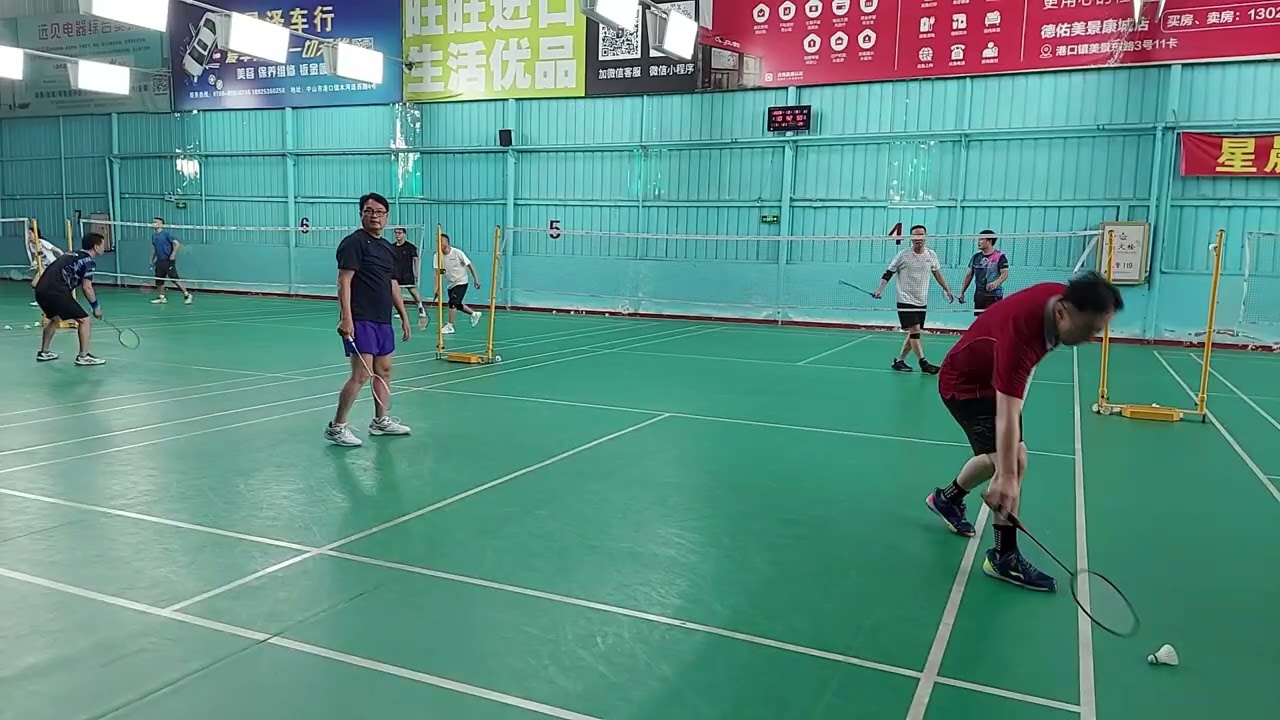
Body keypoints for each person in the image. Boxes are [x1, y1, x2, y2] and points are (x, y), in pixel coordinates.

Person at [925, 272, 1124, 592]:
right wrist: (1005, 478)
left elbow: (1012, 402)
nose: (1090, 339)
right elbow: (1006, 413)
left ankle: (947, 500)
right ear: (1062, 312)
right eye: (1088, 330)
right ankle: (1003, 557)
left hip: (988, 376)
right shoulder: (1023, 338)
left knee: (1001, 459)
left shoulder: (1063, 301)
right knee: (1013, 461)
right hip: (964, 386)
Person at [325, 192, 412, 447]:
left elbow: (393, 283)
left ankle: (380, 421)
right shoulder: (354, 243)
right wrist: (347, 319)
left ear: (386, 216)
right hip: (361, 318)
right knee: (362, 374)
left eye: (379, 212)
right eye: (369, 211)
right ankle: (337, 427)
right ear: (362, 213)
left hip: (383, 320)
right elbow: (344, 281)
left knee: (384, 371)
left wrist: (404, 316)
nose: (374, 216)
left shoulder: (387, 248)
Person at [872, 224, 954, 374]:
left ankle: (899, 360)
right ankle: (924, 363)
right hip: (905, 299)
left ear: (925, 237)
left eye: (921, 235)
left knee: (914, 333)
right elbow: (888, 273)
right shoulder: (903, 255)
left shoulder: (931, 255)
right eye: (916, 236)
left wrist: (947, 289)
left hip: (921, 300)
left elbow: (937, 274)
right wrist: (880, 289)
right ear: (911, 238)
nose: (919, 239)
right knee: (915, 330)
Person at [33, 232, 107, 366]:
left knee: (54, 318)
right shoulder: (89, 262)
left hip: (41, 290)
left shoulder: (70, 254)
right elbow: (87, 287)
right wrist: (96, 307)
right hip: (57, 292)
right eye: (102, 244)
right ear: (96, 247)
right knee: (85, 320)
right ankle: (83, 356)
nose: (104, 247)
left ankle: (44, 352)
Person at [433, 233, 482, 335]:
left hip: (461, 281)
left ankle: (450, 326)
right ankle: (474, 314)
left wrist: (476, 279)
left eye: (440, 241)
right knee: (457, 304)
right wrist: (437, 288)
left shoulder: (457, 253)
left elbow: (470, 265)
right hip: (450, 283)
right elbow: (439, 272)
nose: (438, 243)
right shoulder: (437, 256)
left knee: (452, 302)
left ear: (446, 243)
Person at [958, 230, 1009, 316]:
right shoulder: (975, 257)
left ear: (989, 241)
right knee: (980, 320)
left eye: (981, 239)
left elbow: (1004, 274)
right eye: (978, 240)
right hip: (979, 295)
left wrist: (996, 283)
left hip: (994, 295)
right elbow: (969, 275)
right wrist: (962, 292)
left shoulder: (1000, 256)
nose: (978, 242)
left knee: (993, 319)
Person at [150, 217, 193, 305]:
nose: (153, 224)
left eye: (155, 222)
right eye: (153, 222)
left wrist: (173, 254)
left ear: (161, 224)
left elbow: (177, 244)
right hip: (159, 261)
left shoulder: (166, 234)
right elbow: (154, 248)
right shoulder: (154, 235)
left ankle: (187, 295)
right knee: (159, 280)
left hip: (168, 260)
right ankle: (162, 297)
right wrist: (153, 259)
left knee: (175, 279)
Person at [391, 227, 427, 320]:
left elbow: (416, 259)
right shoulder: (392, 247)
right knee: (398, 294)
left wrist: (416, 273)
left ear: (404, 234)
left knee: (413, 292)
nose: (397, 235)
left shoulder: (410, 247)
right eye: (396, 233)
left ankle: (421, 308)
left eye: (400, 233)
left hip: (408, 274)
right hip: (396, 274)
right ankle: (401, 311)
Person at [25, 225, 64, 307]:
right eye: (28, 234)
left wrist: (64, 259)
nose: (28, 236)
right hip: (43, 267)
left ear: (35, 234)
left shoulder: (42, 242)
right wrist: (35, 263)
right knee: (34, 284)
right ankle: (41, 300)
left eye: (30, 233)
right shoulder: (31, 245)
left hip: (52, 266)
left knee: (48, 285)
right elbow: (37, 256)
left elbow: (58, 250)